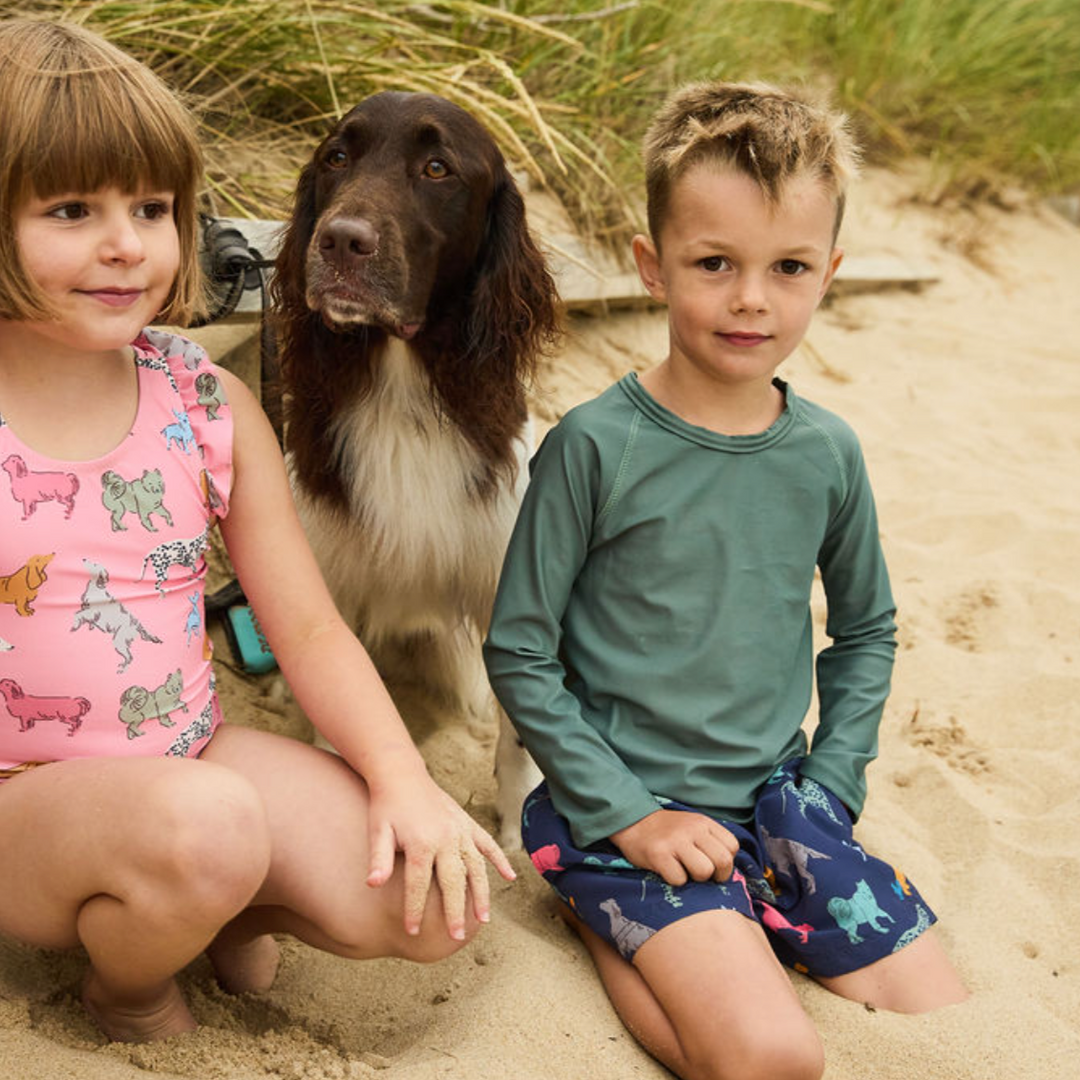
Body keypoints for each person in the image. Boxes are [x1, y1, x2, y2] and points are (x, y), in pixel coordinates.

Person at [0, 18, 514, 1045]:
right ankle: (131, 988)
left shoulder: (205, 398)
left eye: (151, 208)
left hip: (188, 755)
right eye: (72, 209)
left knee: (429, 895)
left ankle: (197, 899)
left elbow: (314, 632)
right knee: (211, 828)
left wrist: (406, 782)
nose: (125, 244)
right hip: (25, 802)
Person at [484, 81, 966, 1080]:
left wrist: (833, 782)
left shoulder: (827, 453)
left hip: (780, 799)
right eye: (716, 264)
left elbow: (867, 629)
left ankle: (734, 917)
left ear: (828, 273)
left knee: (934, 1001)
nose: (753, 299)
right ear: (653, 268)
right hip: (617, 805)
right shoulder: (593, 447)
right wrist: (629, 814)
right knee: (772, 1057)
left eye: (788, 267)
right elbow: (519, 649)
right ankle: (599, 904)